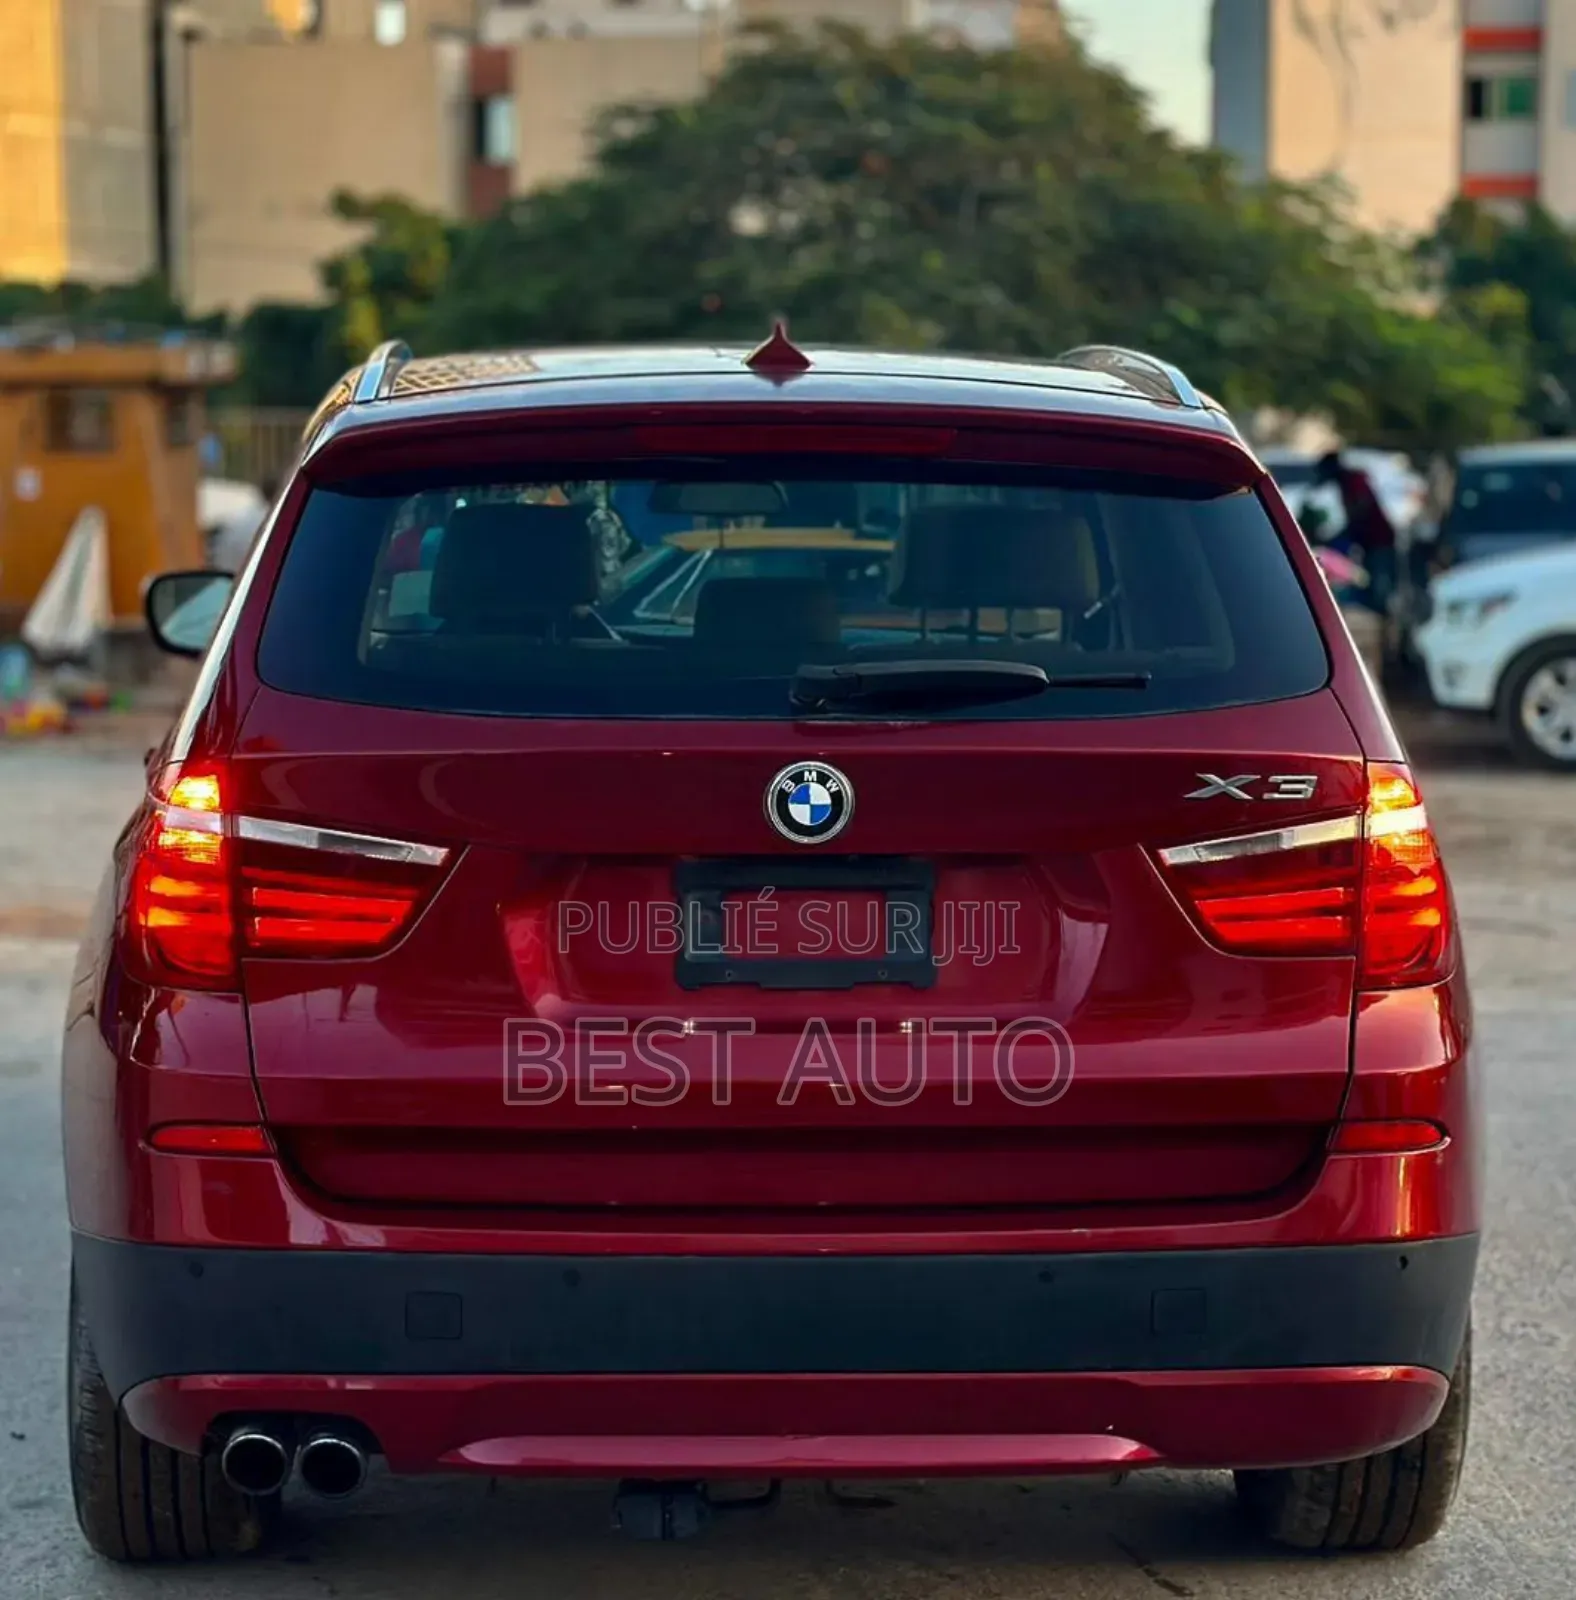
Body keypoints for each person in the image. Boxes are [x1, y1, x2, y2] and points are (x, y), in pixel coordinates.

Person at [1316, 451, 1397, 615]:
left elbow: (1361, 509)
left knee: (1380, 584)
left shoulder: (1353, 480)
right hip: (1369, 542)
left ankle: (1386, 618)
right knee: (1373, 581)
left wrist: (1344, 534)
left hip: (1379, 540)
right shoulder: (1345, 484)